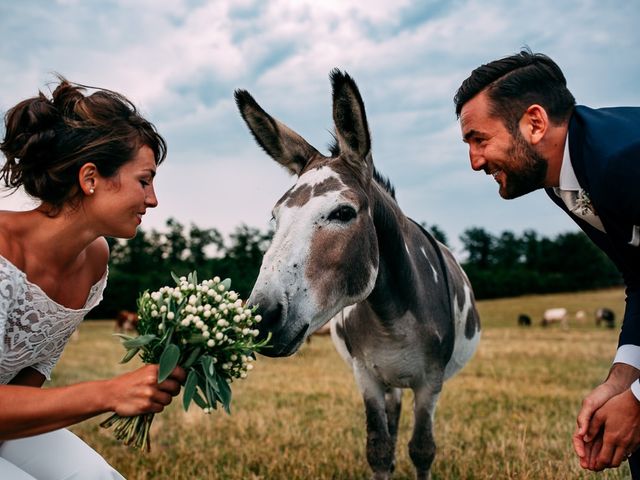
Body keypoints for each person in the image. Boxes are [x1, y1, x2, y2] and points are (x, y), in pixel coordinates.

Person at [454, 48, 640, 476]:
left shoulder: (622, 161)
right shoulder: (562, 179)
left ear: (535, 123)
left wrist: (637, 399)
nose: (475, 162)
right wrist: (621, 379)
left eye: (479, 139)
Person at [0, 77, 186, 479]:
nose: (152, 199)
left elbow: (29, 381)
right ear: (90, 179)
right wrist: (108, 392)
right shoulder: (2, 249)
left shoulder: (94, 261)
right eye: (144, 180)